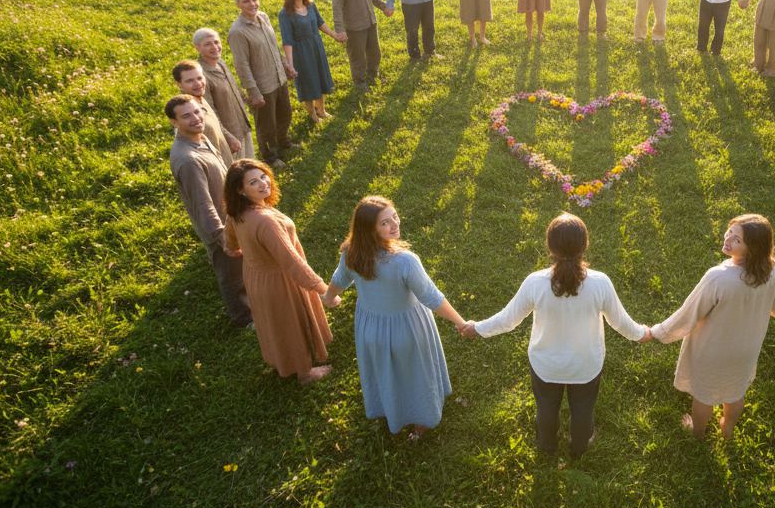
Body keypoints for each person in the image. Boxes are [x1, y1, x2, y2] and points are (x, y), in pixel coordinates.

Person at [459, 213, 651, 459]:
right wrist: (641, 334)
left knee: (546, 408)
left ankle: (546, 444)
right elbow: (621, 323)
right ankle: (580, 446)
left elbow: (508, 320)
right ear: (585, 245)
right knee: (583, 409)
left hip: (546, 365)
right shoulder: (600, 283)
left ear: (550, 247)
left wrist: (477, 328)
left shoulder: (535, 283)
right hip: (586, 365)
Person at [321, 197, 468, 440]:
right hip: (407, 328)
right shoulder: (404, 261)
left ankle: (391, 408)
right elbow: (432, 297)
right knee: (415, 372)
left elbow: (340, 279)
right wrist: (460, 322)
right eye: (385, 223)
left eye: (395, 217)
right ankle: (423, 416)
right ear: (370, 229)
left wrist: (328, 298)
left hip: (371, 328)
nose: (395, 225)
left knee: (386, 371)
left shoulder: (351, 252)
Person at [649, 214, 775, 440]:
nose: (727, 239)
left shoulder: (718, 278)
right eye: (730, 232)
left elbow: (688, 315)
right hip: (746, 349)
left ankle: (698, 433)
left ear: (753, 248)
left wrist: (657, 332)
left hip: (713, 349)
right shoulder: (771, 269)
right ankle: (727, 428)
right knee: (735, 392)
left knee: (704, 396)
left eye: (737, 239)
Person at [223, 159, 333, 384]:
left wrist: (238, 248)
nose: (264, 183)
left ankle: (284, 361)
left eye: (264, 176)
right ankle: (304, 373)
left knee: (276, 323)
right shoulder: (266, 222)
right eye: (254, 182)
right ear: (240, 190)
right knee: (292, 323)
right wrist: (324, 290)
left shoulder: (237, 212)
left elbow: (230, 242)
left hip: (255, 276)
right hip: (279, 280)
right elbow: (291, 262)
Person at [165, 95, 250, 327]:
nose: (196, 118)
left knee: (241, 267)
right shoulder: (188, 159)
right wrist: (221, 237)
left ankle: (251, 304)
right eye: (186, 116)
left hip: (230, 217)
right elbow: (202, 204)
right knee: (230, 274)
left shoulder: (199, 137)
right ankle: (243, 318)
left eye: (197, 111)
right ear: (174, 123)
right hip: (219, 227)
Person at [227, 0, 299, 169]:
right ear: (238, 4)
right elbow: (242, 66)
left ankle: (284, 143)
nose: (252, 4)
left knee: (285, 115)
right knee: (267, 126)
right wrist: (254, 92)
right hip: (262, 86)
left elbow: (274, 46)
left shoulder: (264, 17)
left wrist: (286, 66)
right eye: (246, 1)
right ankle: (270, 156)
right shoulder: (237, 32)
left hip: (278, 78)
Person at [278, 0, 341, 124]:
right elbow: (287, 41)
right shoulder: (285, 14)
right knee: (308, 82)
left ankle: (322, 110)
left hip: (316, 47)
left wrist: (334, 35)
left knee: (319, 77)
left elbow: (320, 23)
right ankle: (313, 114)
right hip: (301, 52)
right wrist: (290, 65)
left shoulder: (311, 5)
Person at [329, 0, 385, 90]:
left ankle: (373, 76)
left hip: (370, 21)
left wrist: (383, 6)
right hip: (354, 26)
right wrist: (340, 30)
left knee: (375, 53)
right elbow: (337, 6)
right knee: (358, 58)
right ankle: (360, 84)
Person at [194, 27, 254, 161]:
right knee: (236, 173)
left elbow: (233, 85)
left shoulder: (220, 62)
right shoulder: (202, 76)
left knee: (250, 165)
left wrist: (247, 98)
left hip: (242, 126)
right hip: (228, 136)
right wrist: (228, 137)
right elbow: (209, 112)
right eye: (207, 44)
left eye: (216, 42)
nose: (214, 47)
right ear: (197, 48)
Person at [172, 59, 237, 165]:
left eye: (199, 78)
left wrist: (229, 138)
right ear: (179, 85)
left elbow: (215, 123)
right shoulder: (186, 116)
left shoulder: (201, 98)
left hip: (227, 165)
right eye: (190, 81)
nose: (198, 84)